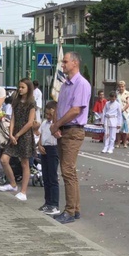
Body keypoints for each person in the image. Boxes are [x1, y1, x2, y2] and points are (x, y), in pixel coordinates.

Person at [49, 51, 91, 224]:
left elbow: (75, 110)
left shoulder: (81, 84)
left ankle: (70, 210)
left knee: (67, 170)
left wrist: (57, 124)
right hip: (64, 129)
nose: (63, 64)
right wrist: (55, 125)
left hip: (73, 130)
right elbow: (60, 106)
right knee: (69, 171)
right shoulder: (65, 84)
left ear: (75, 62)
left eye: (65, 62)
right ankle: (75, 208)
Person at [0, 79, 37, 201]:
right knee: (4, 159)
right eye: (19, 87)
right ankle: (13, 184)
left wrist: (18, 135)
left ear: (28, 89)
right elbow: (13, 118)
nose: (20, 89)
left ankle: (23, 192)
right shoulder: (16, 101)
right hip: (14, 134)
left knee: (24, 163)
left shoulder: (31, 103)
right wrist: (11, 134)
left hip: (25, 135)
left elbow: (30, 123)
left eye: (22, 87)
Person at [38, 101, 60, 215]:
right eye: (46, 114)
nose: (48, 116)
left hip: (53, 149)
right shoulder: (44, 123)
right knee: (45, 177)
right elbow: (41, 135)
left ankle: (54, 204)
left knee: (52, 177)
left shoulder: (56, 124)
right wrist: (40, 145)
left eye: (50, 114)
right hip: (44, 149)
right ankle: (47, 202)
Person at [116, 81, 129, 148]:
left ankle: (125, 143)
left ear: (124, 86)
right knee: (118, 128)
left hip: (125, 113)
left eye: (122, 86)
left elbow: (128, 103)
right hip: (118, 113)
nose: (121, 88)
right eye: (120, 86)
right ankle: (118, 143)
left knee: (125, 129)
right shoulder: (116, 93)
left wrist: (123, 109)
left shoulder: (128, 93)